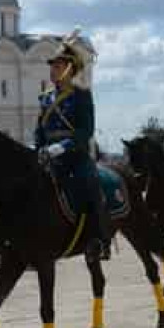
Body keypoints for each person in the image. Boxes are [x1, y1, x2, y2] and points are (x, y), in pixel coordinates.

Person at [35, 30, 111, 262]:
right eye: (52, 66)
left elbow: (85, 132)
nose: (53, 70)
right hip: (48, 156)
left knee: (89, 183)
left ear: (70, 68)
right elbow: (40, 128)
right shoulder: (46, 98)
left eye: (57, 66)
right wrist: (38, 147)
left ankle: (98, 239)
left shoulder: (82, 96)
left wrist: (61, 147)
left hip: (74, 156)